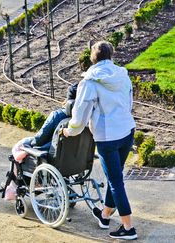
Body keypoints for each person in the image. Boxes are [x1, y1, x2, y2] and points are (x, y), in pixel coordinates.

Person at [62, 41, 137, 240]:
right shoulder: (122, 74)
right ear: (111, 55)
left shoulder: (89, 81)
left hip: (107, 137)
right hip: (127, 130)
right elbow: (129, 102)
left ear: (92, 58)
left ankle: (128, 228)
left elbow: (80, 113)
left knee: (115, 181)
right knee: (116, 176)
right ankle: (104, 216)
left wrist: (71, 131)